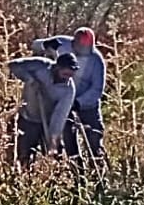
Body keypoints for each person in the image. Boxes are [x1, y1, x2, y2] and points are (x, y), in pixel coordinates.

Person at [34, 27, 106, 161]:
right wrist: (45, 45)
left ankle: (98, 167)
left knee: (94, 136)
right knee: (68, 137)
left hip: (86, 105)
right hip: (63, 99)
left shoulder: (97, 61)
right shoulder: (62, 44)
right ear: (74, 43)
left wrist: (78, 103)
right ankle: (76, 169)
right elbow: (36, 45)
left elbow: (97, 89)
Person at [8, 51, 79, 166]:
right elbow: (13, 65)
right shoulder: (40, 66)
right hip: (28, 118)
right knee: (25, 154)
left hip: (47, 121)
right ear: (57, 68)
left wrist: (52, 139)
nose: (67, 79)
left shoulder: (68, 90)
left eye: (70, 76)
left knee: (54, 156)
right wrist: (30, 79)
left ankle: (53, 176)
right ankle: (23, 178)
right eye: (65, 75)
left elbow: (59, 116)